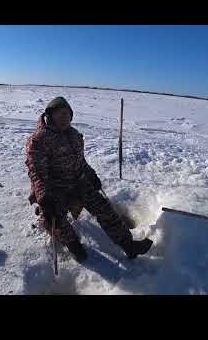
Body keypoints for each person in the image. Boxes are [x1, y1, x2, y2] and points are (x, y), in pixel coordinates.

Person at [25, 96, 153, 263]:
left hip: (78, 183)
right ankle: (73, 244)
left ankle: (128, 245)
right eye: (59, 114)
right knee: (52, 218)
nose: (64, 118)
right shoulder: (39, 139)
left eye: (67, 114)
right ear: (50, 115)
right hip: (54, 187)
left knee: (104, 207)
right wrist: (43, 197)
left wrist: (91, 175)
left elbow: (80, 162)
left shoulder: (74, 135)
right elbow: (36, 172)